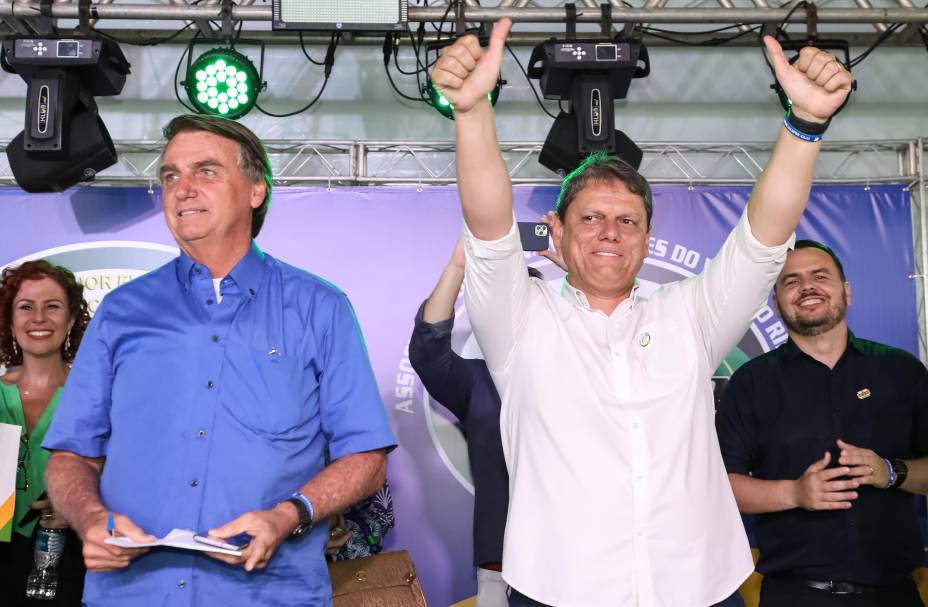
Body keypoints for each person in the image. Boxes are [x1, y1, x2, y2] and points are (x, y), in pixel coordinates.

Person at [430, 17, 853, 607]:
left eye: (627, 220)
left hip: (697, 587)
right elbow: (488, 225)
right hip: (559, 589)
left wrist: (805, 124)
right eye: (590, 218)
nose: (610, 232)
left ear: (649, 238)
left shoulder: (690, 315)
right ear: (556, 229)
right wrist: (473, 114)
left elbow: (765, 236)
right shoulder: (519, 318)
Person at [41, 115, 397, 607]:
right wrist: (88, 518)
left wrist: (289, 515)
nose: (182, 188)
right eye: (169, 176)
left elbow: (367, 458)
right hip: (131, 595)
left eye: (205, 171)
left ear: (256, 190)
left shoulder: (320, 308)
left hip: (269, 594)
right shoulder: (121, 313)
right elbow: (71, 456)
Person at [716, 240, 928, 607]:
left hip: (895, 593)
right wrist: (795, 494)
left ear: (846, 292)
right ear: (776, 303)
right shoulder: (751, 383)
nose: (807, 287)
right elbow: (720, 487)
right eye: (791, 281)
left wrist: (891, 472)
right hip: (794, 595)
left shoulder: (901, 370)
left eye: (820, 276)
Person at [408, 237, 552, 607]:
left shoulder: (587, 374)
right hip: (500, 563)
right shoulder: (478, 381)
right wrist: (458, 266)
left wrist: (577, 270)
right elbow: (427, 351)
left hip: (578, 557)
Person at [0, 260, 91, 606]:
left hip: (68, 558)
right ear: (10, 320)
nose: (38, 318)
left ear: (70, 320)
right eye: (25, 307)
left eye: (52, 306)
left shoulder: (95, 396)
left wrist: (78, 503)